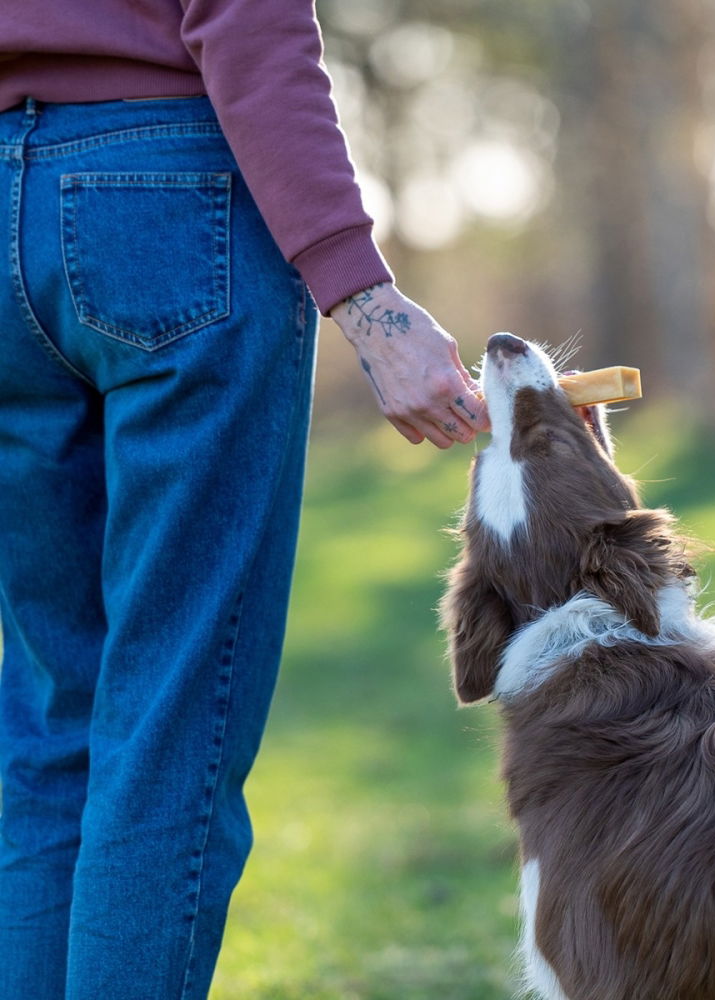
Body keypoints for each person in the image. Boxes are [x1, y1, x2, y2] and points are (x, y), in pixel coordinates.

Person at [0, 2, 487, 998]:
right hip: (168, 197)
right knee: (171, 721)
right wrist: (366, 298)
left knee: (52, 720)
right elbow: (247, 22)